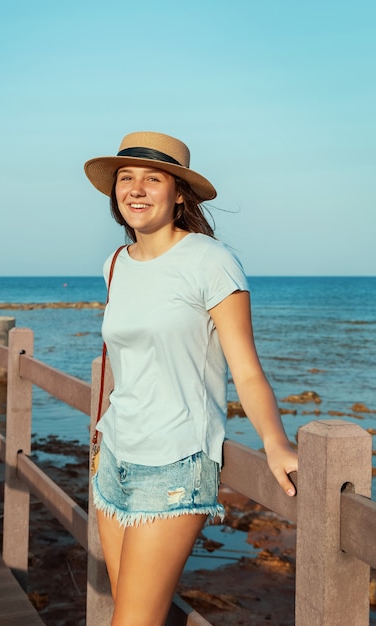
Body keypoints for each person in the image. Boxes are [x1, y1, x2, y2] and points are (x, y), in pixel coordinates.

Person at [84, 131, 298, 626]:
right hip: (114, 454)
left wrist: (275, 441)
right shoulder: (115, 264)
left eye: (152, 179)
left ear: (179, 193)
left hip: (176, 464)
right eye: (126, 178)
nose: (136, 189)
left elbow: (245, 367)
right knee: (131, 614)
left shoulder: (210, 261)